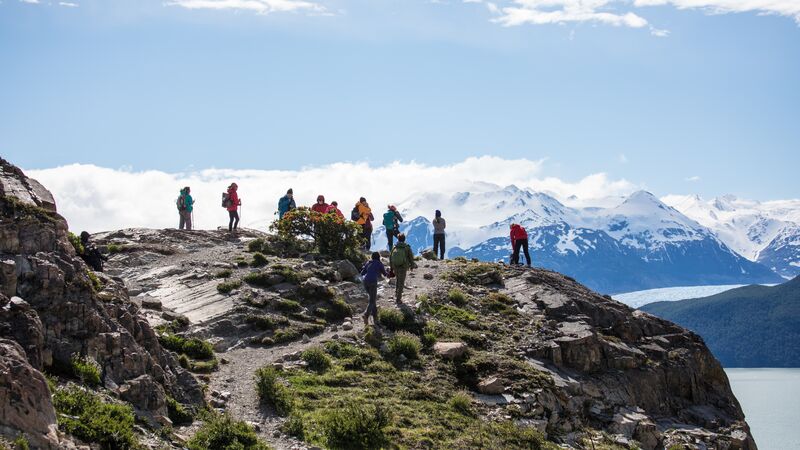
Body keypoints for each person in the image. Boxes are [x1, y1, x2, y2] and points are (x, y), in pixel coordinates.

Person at [360, 252, 388, 326]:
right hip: (373, 282)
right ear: (379, 257)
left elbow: (362, 273)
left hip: (365, 282)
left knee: (372, 299)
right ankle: (366, 315)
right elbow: (385, 274)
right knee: (372, 300)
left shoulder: (368, 262)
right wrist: (389, 272)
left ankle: (375, 318)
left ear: (372, 257)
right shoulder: (379, 263)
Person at [389, 233, 416, 304]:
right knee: (401, 282)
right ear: (404, 239)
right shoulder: (407, 247)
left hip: (395, 266)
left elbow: (390, 256)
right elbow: (411, 257)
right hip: (403, 267)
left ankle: (396, 293)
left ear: (398, 239)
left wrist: (391, 267)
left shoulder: (395, 247)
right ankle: (398, 298)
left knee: (398, 280)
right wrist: (412, 266)